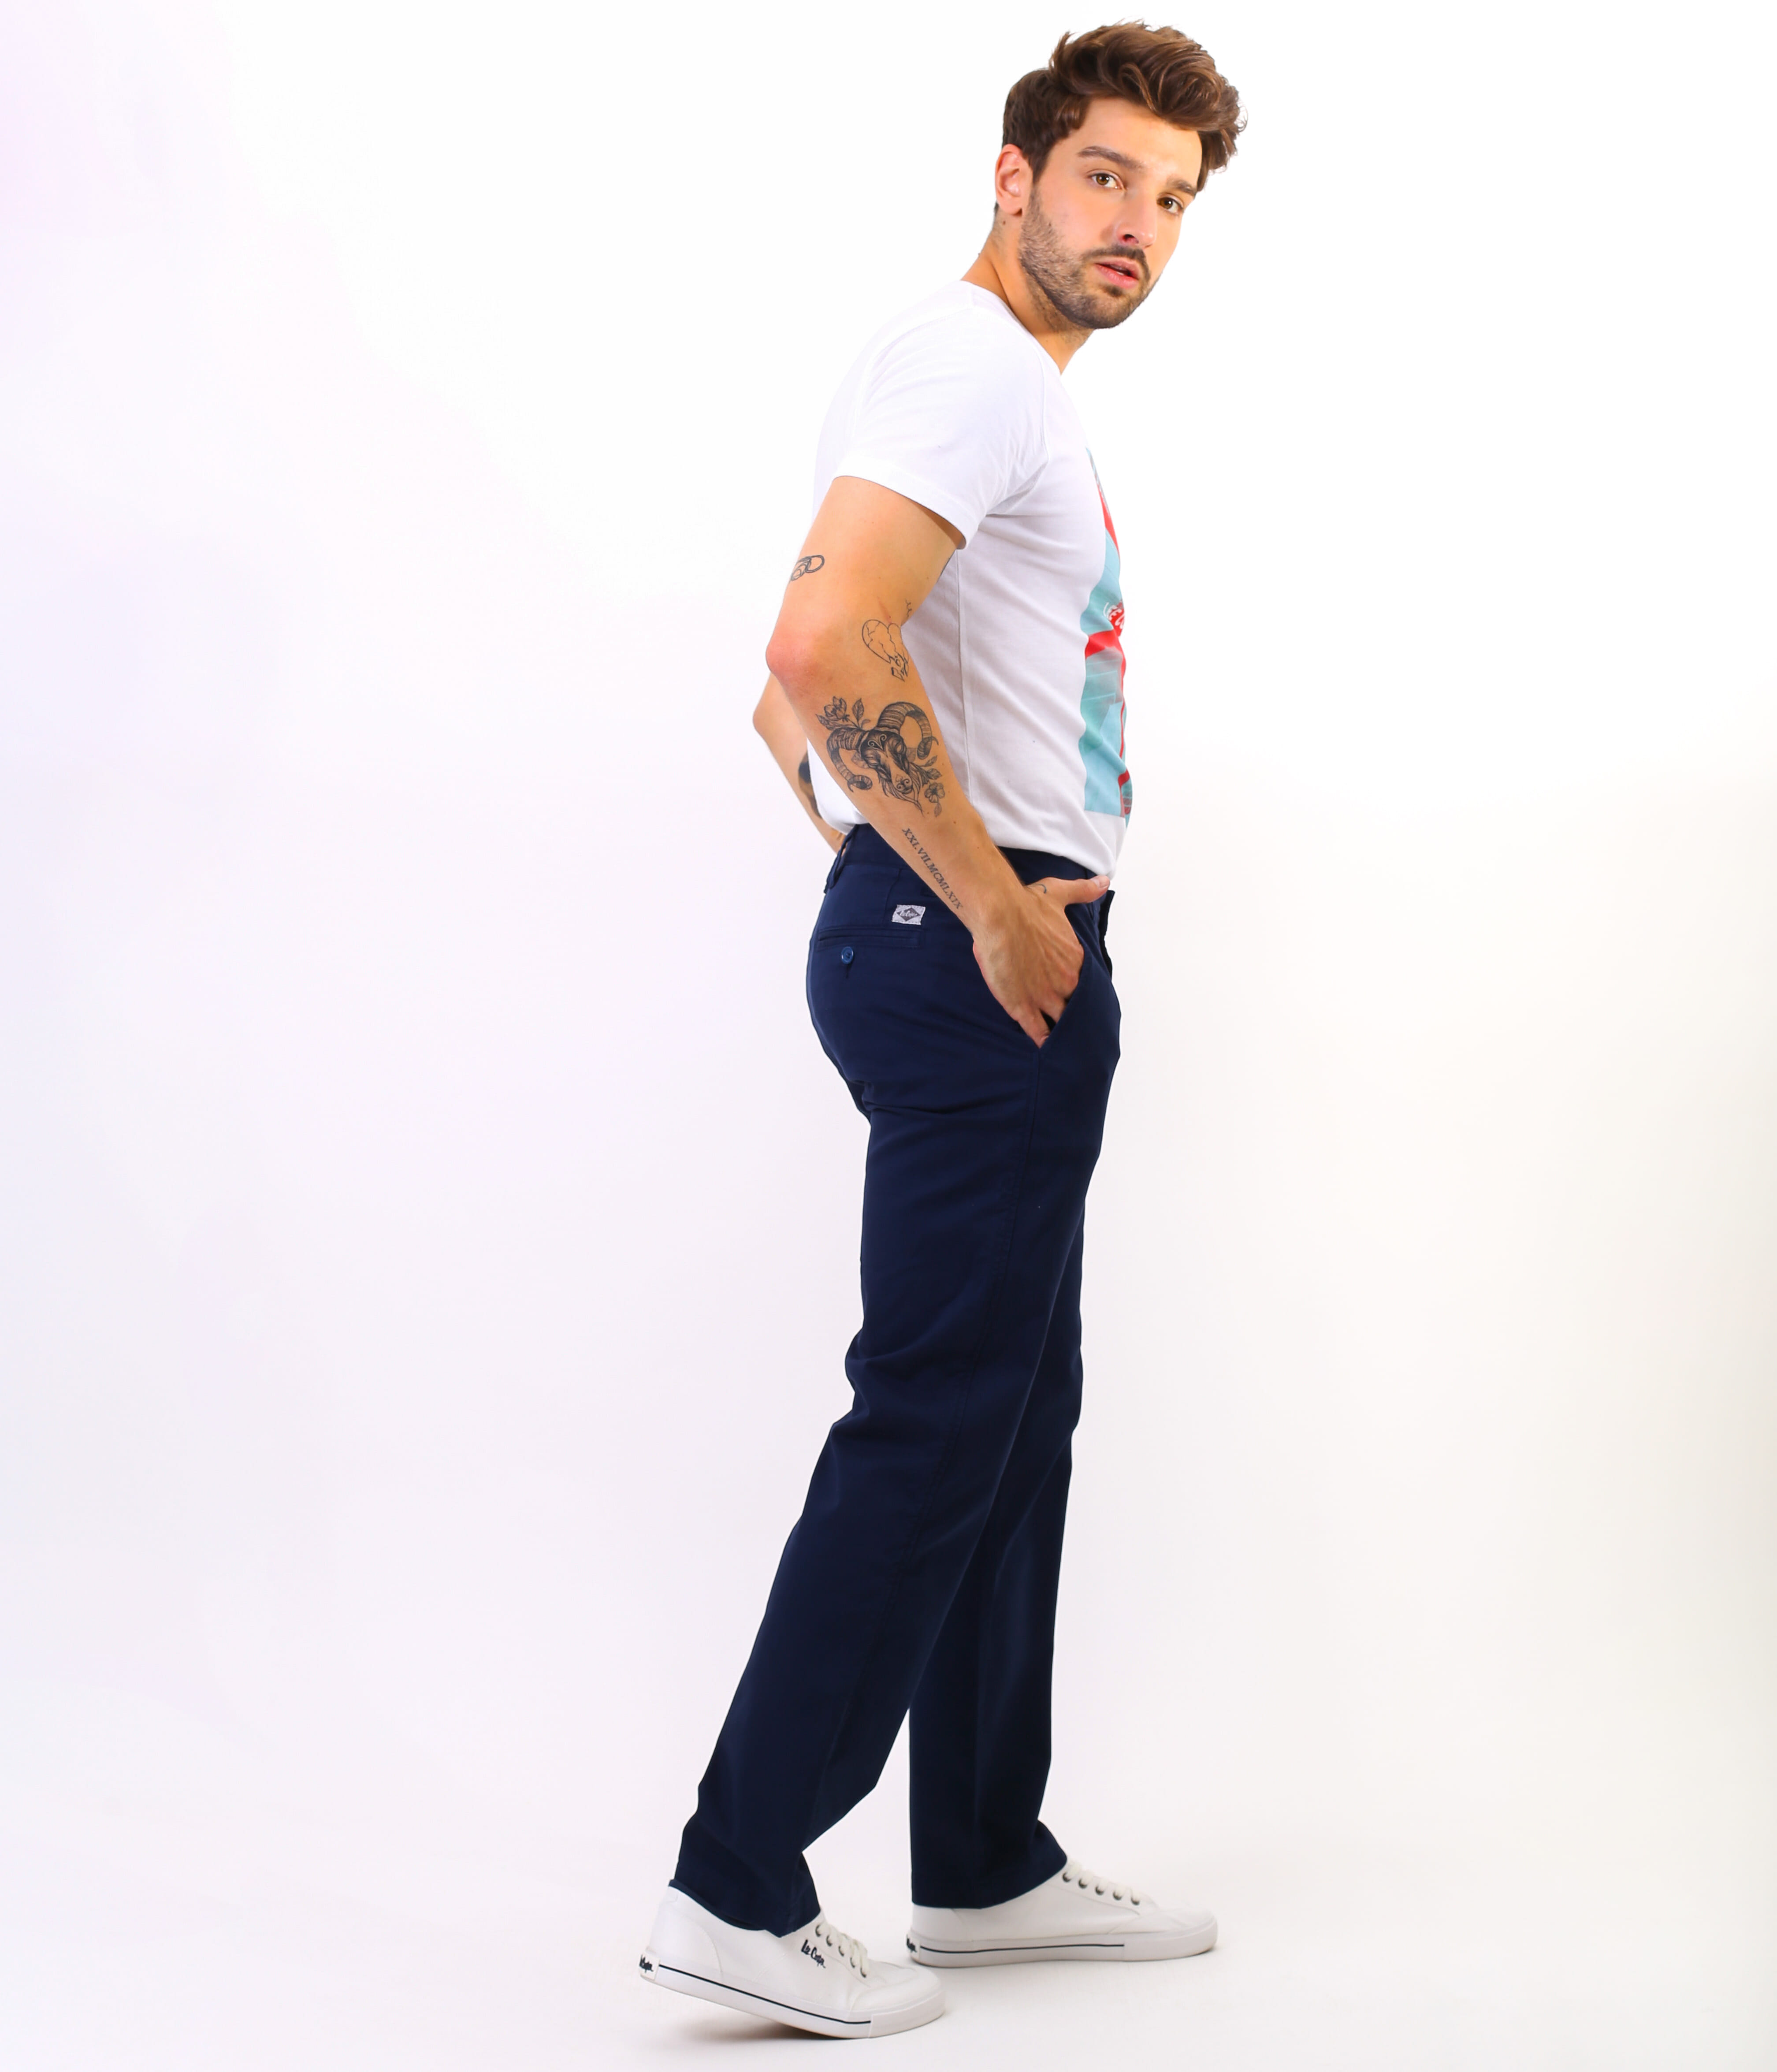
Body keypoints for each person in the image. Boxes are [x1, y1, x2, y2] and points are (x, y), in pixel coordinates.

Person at [640, 24, 1243, 2040]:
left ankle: (982, 1856)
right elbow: (818, 649)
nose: (1138, 223)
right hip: (988, 959)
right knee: (937, 1409)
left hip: (959, 941)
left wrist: (897, 879)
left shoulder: (981, 385)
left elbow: (793, 707)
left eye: (1172, 197)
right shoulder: (975, 368)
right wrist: (977, 903)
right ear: (1015, 176)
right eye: (1105, 177)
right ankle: (738, 1883)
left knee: (1011, 1405)